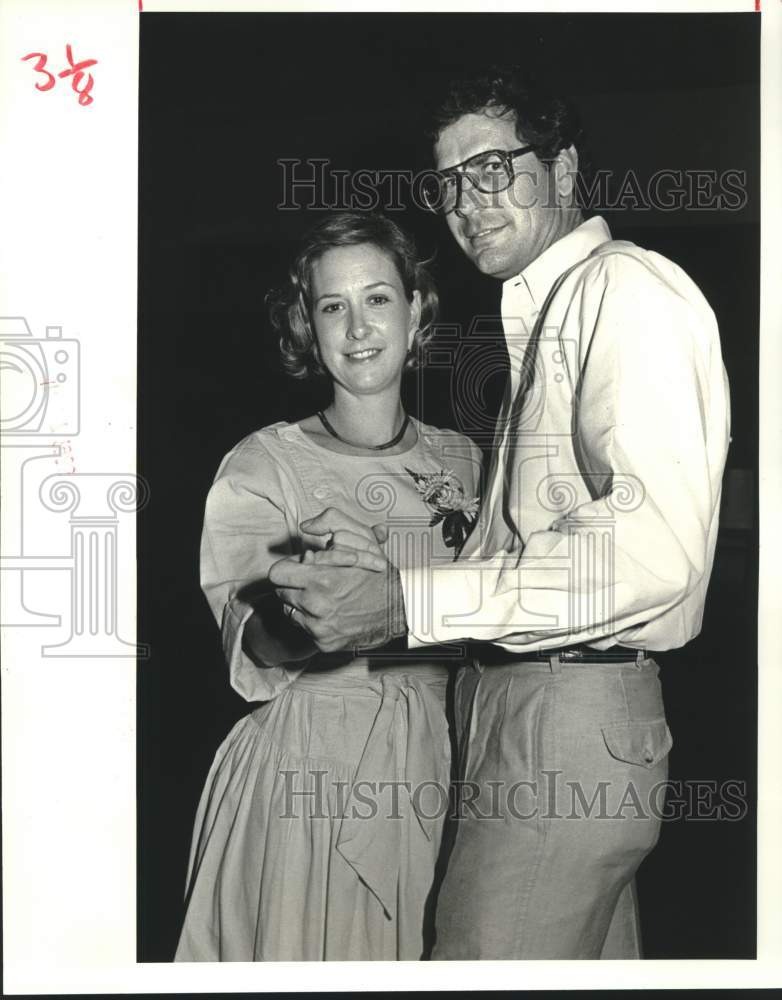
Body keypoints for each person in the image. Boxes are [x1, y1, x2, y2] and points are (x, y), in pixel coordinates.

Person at [268, 69, 731, 959]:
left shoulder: (625, 291)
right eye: (448, 184)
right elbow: (539, 544)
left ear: (562, 171)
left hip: (566, 714)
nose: (465, 203)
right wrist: (393, 572)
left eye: (491, 171)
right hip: (527, 709)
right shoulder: (545, 319)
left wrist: (409, 604)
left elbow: (650, 554)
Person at [174, 211, 482, 961]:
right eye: (331, 306)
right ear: (307, 330)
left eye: (378, 298)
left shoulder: (471, 462)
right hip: (307, 776)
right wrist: (305, 614)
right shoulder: (261, 465)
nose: (357, 326)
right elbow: (249, 646)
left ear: (417, 310)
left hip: (444, 767)